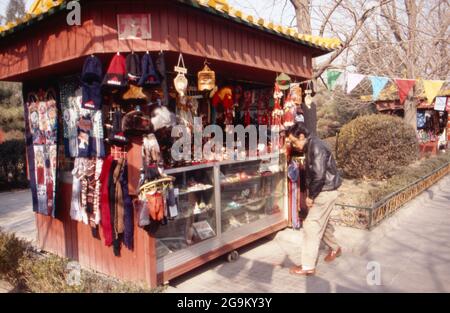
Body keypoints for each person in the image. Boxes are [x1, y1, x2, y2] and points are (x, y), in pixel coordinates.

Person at [286, 122, 342, 276]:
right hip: (326, 190)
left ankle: (308, 266)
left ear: (302, 136)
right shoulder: (311, 144)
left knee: (311, 226)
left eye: (294, 141)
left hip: (324, 191)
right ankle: (336, 248)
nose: (293, 144)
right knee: (321, 223)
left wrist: (310, 197)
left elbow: (318, 176)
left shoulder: (315, 146)